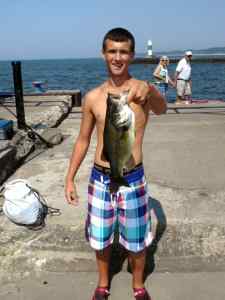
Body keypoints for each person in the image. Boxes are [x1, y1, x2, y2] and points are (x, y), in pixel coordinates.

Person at [65, 27, 167, 300]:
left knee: (137, 240)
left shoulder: (141, 92)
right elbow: (83, 140)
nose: (118, 57)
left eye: (123, 51)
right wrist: (69, 178)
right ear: (104, 54)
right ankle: (102, 283)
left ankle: (138, 285)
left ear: (132, 55)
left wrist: (152, 88)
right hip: (100, 179)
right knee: (100, 238)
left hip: (132, 177)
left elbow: (162, 108)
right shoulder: (93, 97)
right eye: (112, 51)